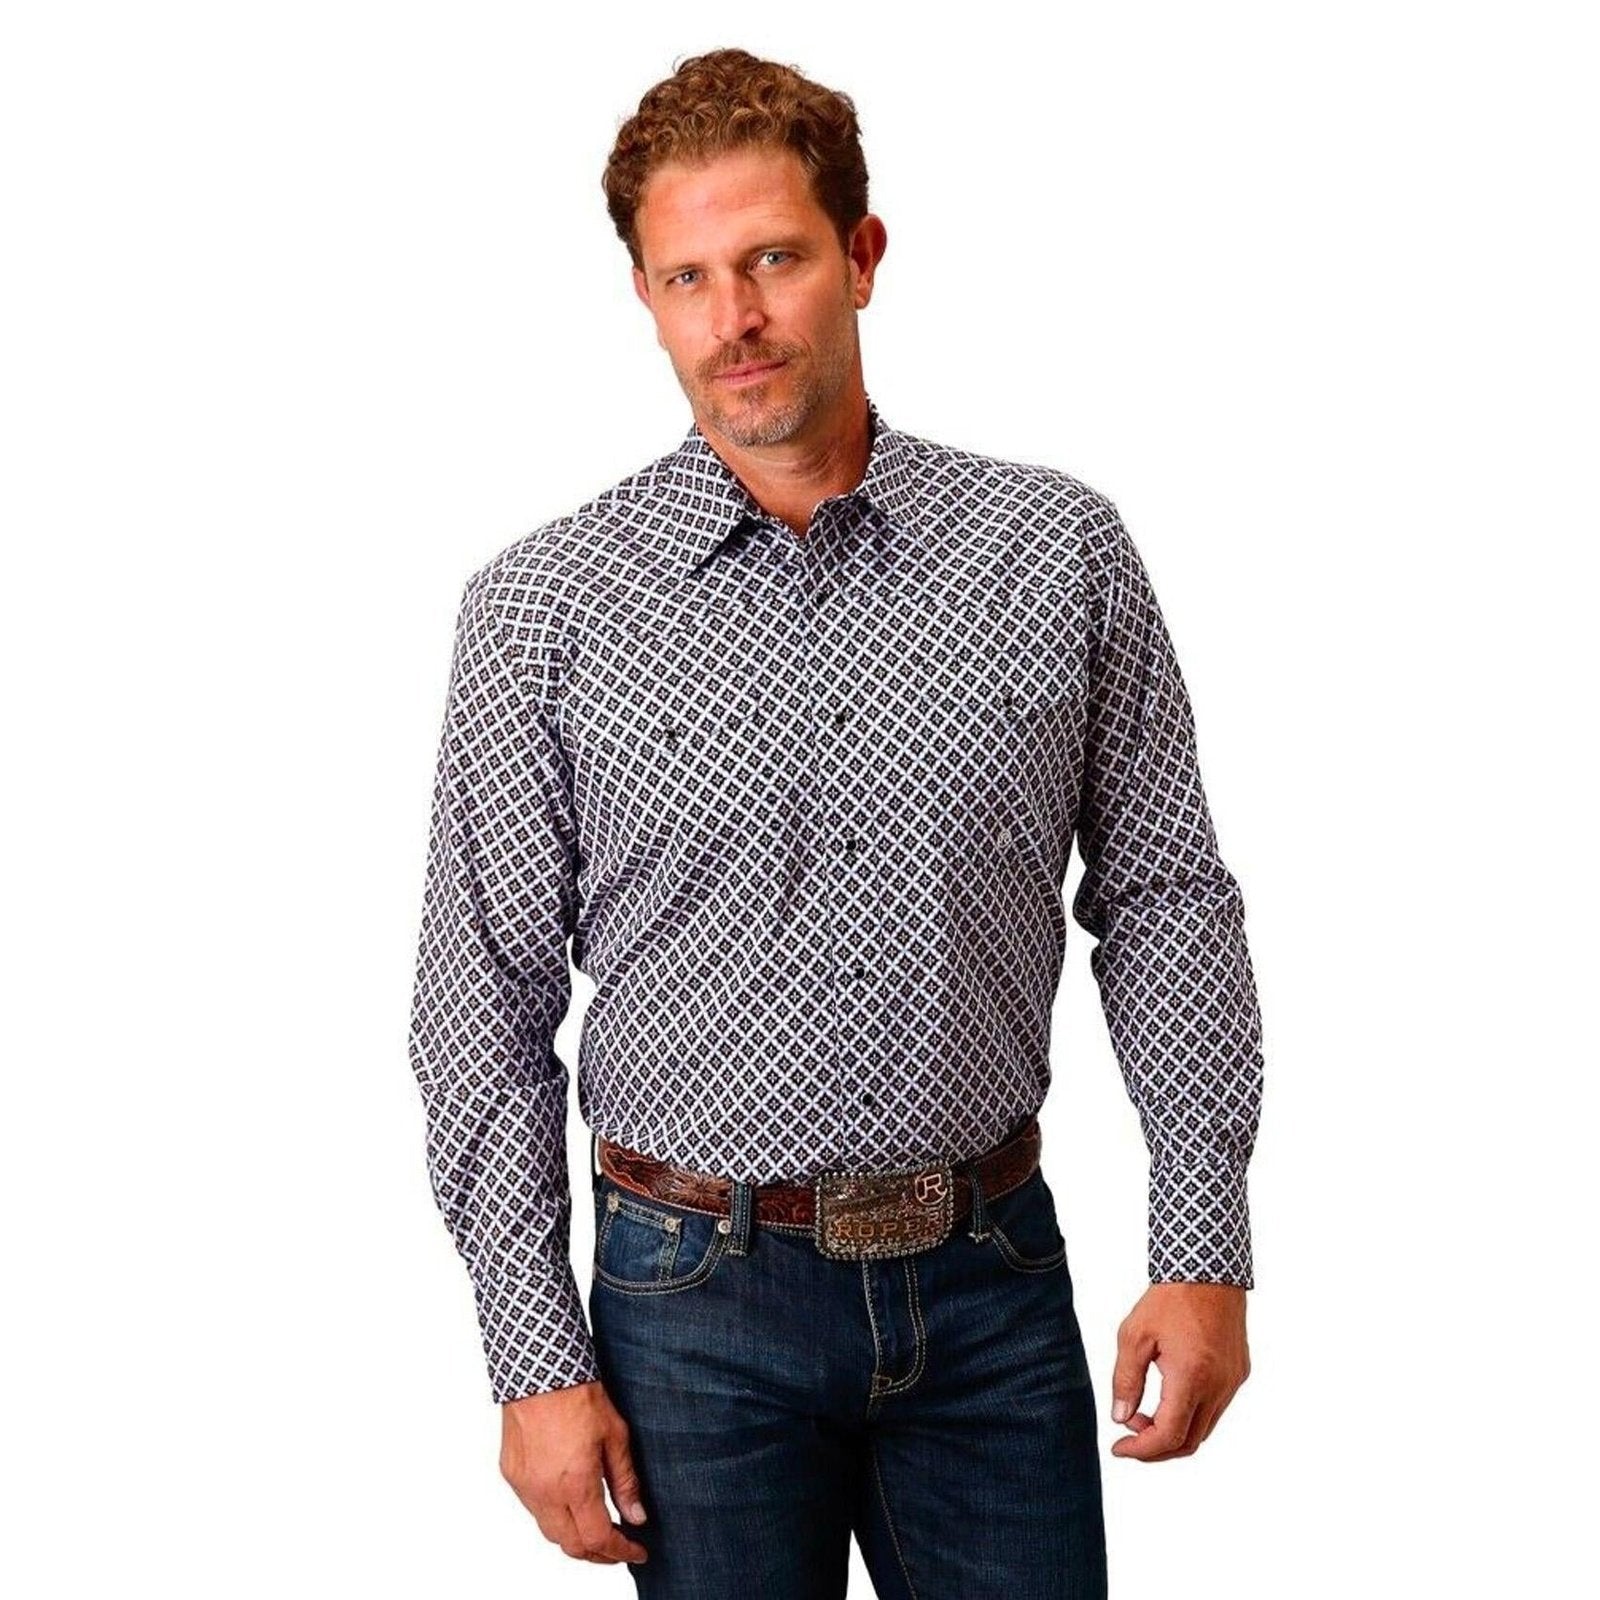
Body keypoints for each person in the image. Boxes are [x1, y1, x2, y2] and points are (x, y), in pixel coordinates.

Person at [407, 45, 1264, 1599]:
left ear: (862, 257)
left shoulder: (1054, 550)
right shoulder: (544, 608)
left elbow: (1164, 899)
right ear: (647, 298)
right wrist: (532, 1361)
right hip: (690, 1313)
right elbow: (483, 1002)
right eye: (687, 277)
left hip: (992, 1285)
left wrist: (1203, 1243)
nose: (732, 317)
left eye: (774, 260)